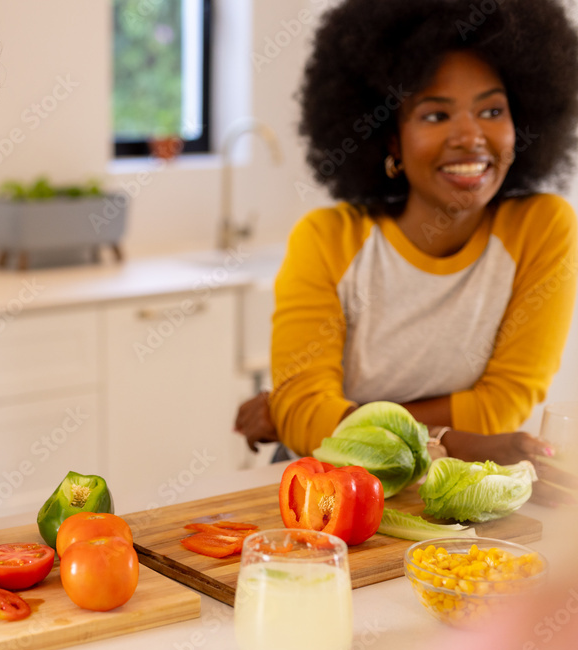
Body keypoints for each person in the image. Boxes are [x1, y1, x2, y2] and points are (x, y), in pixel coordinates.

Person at [234, 0, 578, 504]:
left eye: (492, 110)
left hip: (452, 488)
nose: (469, 136)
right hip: (328, 487)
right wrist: (451, 438)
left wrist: (329, 415)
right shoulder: (328, 239)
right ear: (391, 138)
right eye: (436, 114)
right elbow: (306, 415)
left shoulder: (542, 229)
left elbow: (500, 407)